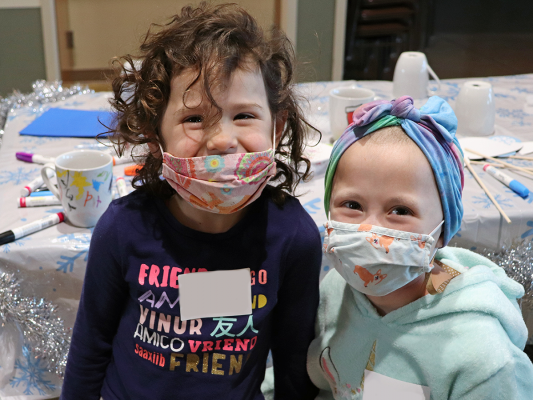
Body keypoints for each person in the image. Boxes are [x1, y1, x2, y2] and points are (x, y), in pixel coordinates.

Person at [60, 3, 321, 399]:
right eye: (195, 118)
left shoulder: (293, 237)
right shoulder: (123, 228)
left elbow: (292, 363)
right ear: (154, 137)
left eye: (245, 115)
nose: (221, 140)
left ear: (277, 127)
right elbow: (90, 346)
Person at [306, 96, 533, 399]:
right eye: (352, 205)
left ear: (441, 232)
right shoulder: (336, 290)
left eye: (399, 211)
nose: (370, 230)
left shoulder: (482, 357)